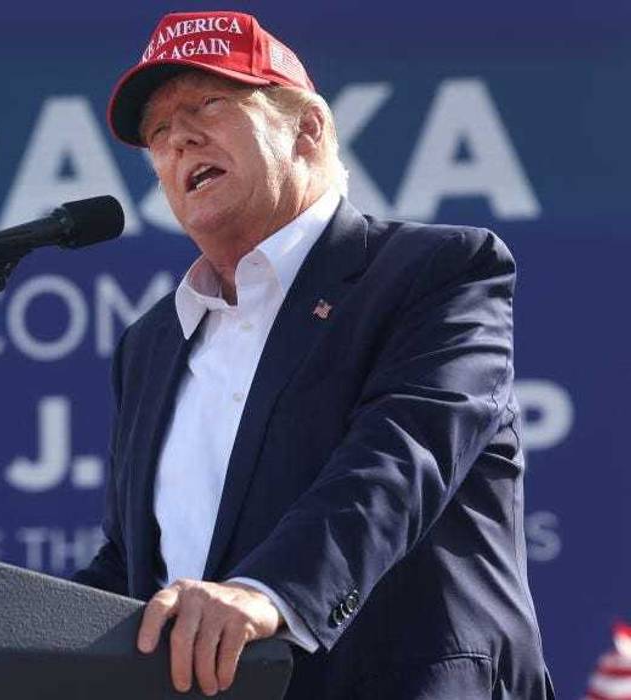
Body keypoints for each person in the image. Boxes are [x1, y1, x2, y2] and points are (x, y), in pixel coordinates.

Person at [73, 10, 554, 699]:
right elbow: (131, 564)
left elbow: (397, 459)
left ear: (305, 129)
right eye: (156, 131)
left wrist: (268, 593)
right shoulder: (150, 343)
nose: (178, 137)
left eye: (209, 103)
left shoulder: (434, 271)